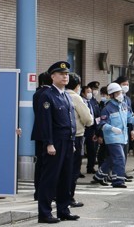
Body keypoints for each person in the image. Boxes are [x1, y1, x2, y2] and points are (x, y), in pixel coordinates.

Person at [37, 61, 79, 223]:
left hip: (68, 142)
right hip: (55, 142)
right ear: (52, 76)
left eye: (67, 74)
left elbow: (70, 120)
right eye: (61, 74)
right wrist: (48, 143)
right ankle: (45, 213)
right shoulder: (47, 95)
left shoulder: (66, 95)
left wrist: (73, 141)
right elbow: (45, 122)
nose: (65, 76)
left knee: (65, 178)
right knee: (50, 178)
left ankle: (63, 209)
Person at [93, 83, 134, 188]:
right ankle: (118, 181)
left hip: (123, 137)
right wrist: (112, 128)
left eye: (121, 92)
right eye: (117, 93)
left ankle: (99, 175)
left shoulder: (124, 105)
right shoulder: (107, 108)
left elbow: (129, 118)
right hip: (112, 137)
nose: (120, 94)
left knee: (112, 158)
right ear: (111, 95)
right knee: (119, 158)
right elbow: (102, 124)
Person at [66, 73, 93, 208]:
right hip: (76, 136)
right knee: (74, 169)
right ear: (77, 86)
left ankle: (60, 195)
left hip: (63, 137)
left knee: (63, 168)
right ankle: (69, 197)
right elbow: (88, 119)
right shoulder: (76, 98)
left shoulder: (62, 95)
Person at [31, 72, 52, 201]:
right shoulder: (47, 94)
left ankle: (37, 191)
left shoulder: (36, 93)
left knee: (39, 163)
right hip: (47, 133)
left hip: (38, 132)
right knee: (47, 164)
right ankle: (44, 191)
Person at [113, 76, 134, 180]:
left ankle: (121, 173)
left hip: (125, 130)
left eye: (127, 84)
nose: (126, 86)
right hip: (115, 130)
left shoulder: (127, 99)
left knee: (124, 153)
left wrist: (132, 129)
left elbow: (129, 116)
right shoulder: (113, 99)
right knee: (116, 155)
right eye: (124, 84)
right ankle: (112, 174)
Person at [81, 85, 98, 174]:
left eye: (90, 92)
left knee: (92, 149)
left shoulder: (92, 102)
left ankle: (90, 167)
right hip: (83, 128)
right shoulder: (80, 101)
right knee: (80, 150)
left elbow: (96, 114)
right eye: (88, 92)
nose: (90, 94)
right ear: (83, 93)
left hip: (91, 129)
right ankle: (77, 170)